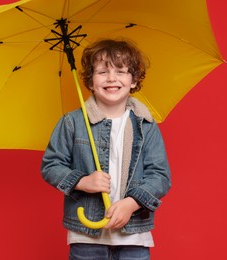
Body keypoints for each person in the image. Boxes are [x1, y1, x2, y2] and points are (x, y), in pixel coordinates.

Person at [41, 39, 171, 260]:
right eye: (102, 72)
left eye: (121, 71)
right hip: (86, 235)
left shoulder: (146, 125)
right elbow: (51, 165)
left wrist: (132, 203)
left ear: (134, 80)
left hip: (133, 236)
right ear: (90, 81)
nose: (112, 78)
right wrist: (82, 181)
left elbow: (160, 176)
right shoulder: (72, 122)